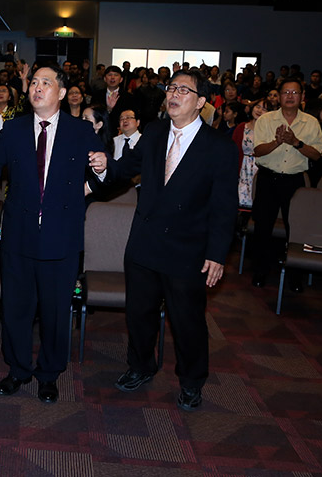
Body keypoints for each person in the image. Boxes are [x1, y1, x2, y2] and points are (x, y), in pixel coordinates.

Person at [97, 68, 236, 410]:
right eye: (171, 88)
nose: (173, 94)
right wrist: (104, 167)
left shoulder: (219, 146)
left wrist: (217, 254)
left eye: (183, 90)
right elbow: (127, 167)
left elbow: (224, 206)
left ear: (201, 102)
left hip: (187, 249)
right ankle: (141, 366)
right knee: (139, 314)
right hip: (145, 243)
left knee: (187, 321)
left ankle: (191, 381)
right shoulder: (156, 132)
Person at [0, 66, 106, 404]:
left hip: (62, 236)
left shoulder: (80, 130)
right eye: (34, 82)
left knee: (55, 311)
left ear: (61, 93)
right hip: (19, 234)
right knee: (16, 307)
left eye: (46, 83)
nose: (37, 87)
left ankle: (49, 373)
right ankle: (17, 369)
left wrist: (97, 175)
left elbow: (106, 170)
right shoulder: (14, 128)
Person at [250, 79, 322, 288]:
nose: (290, 96)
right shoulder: (266, 120)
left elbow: (316, 155)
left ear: (302, 97)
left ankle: (295, 276)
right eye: (286, 92)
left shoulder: (311, 122)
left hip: (294, 182)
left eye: (295, 92)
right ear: (279, 96)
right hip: (268, 179)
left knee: (296, 229)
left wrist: (295, 142)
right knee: (263, 227)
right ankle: (260, 271)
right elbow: (257, 151)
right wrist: (278, 141)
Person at [233, 98, 266, 207]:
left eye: (264, 109)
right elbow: (233, 150)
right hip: (243, 169)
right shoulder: (242, 127)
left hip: (260, 169)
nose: (259, 110)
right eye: (258, 106)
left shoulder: (269, 131)